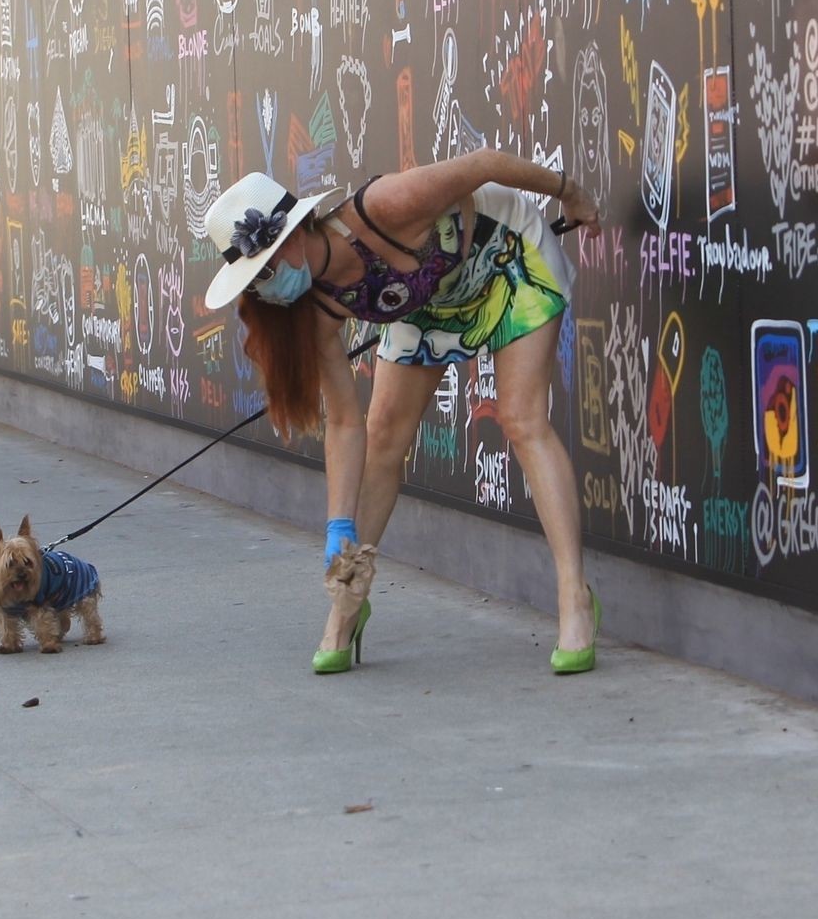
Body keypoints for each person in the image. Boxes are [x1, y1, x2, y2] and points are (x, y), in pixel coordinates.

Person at [202, 150, 602, 674]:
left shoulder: (386, 206)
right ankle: (347, 604)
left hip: (506, 259)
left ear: (294, 236)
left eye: (266, 270)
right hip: (425, 299)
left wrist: (569, 192)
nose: (266, 288)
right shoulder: (318, 309)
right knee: (384, 435)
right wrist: (338, 523)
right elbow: (345, 423)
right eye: (255, 281)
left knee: (522, 419)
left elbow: (483, 164)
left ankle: (575, 598)